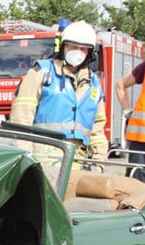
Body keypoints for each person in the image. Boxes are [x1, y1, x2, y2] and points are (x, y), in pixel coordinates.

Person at [10, 21, 108, 163]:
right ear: (64, 46)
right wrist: (26, 157)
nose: (78, 52)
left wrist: (99, 160)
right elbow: (21, 118)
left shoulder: (93, 83)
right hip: (44, 160)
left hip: (78, 161)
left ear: (89, 53)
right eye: (73, 46)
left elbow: (97, 128)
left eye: (83, 49)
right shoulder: (41, 73)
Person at [115, 32, 145, 183]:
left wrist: (127, 111)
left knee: (136, 191)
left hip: (141, 142)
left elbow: (121, 84)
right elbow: (120, 85)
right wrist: (128, 112)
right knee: (137, 191)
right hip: (142, 142)